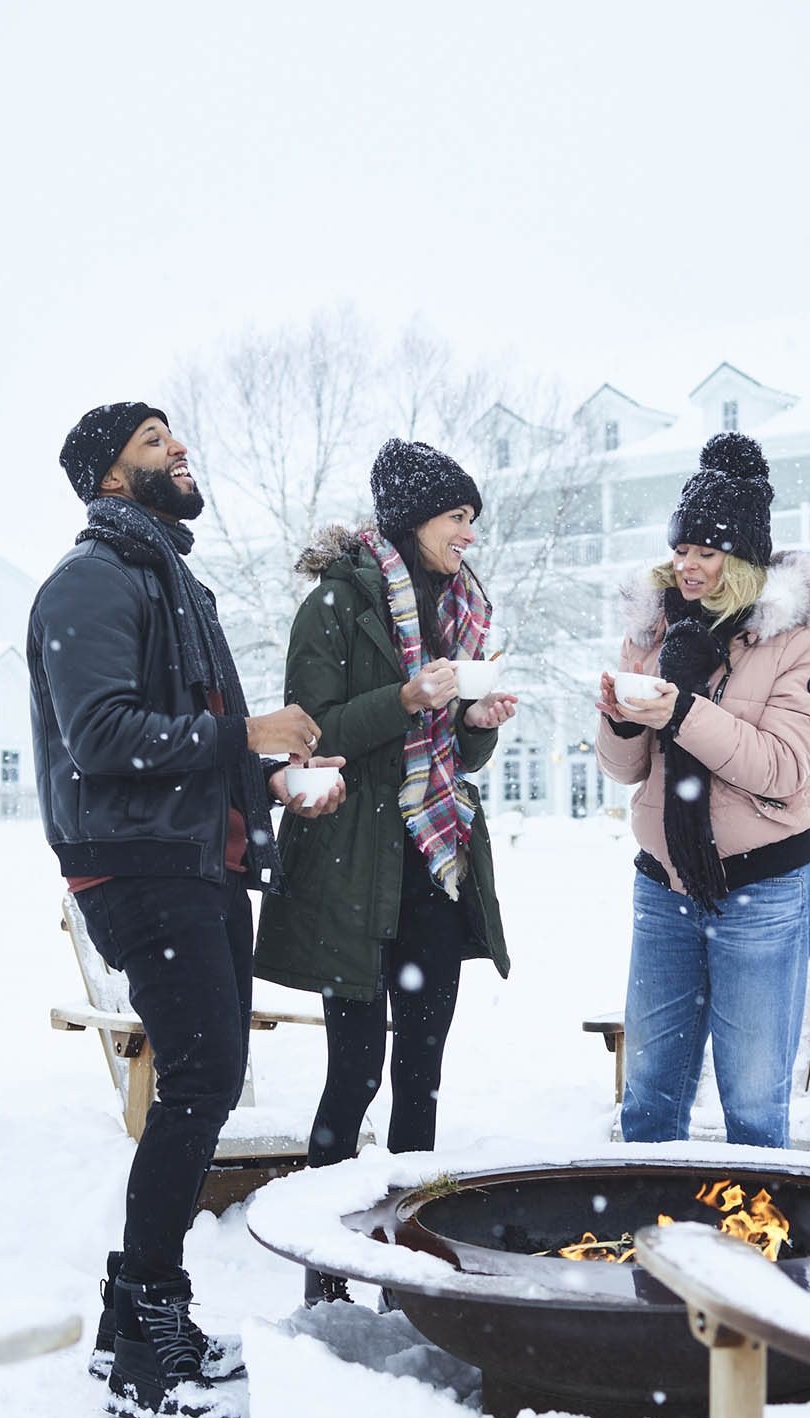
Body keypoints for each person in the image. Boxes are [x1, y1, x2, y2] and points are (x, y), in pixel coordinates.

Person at [29, 401, 346, 1418]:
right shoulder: (91, 580)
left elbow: (194, 739)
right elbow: (101, 736)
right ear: (110, 476)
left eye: (174, 437)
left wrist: (272, 780)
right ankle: (145, 1345)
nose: (178, 450)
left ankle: (131, 1320)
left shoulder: (170, 578)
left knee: (201, 1086)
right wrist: (244, 733)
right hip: (138, 869)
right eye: (154, 441)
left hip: (196, 866)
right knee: (200, 1086)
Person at [255, 438, 516, 1304]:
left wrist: (475, 721)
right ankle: (325, 1280)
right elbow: (311, 733)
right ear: (412, 520)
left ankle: (408, 1280)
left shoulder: (461, 608)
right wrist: (405, 698)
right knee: (355, 1073)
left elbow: (454, 757)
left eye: (473, 518)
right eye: (456, 517)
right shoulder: (335, 604)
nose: (469, 535)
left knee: (422, 1073)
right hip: (353, 873)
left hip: (434, 866)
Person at [595, 432, 810, 1149]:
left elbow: (782, 768)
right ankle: (650, 1216)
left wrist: (682, 713)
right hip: (662, 888)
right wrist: (620, 719)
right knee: (648, 1101)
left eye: (705, 550)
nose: (687, 564)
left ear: (742, 559)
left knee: (753, 1106)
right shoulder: (654, 632)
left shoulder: (795, 644)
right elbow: (626, 771)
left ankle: (756, 1225)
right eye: (681, 548)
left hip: (761, 892)